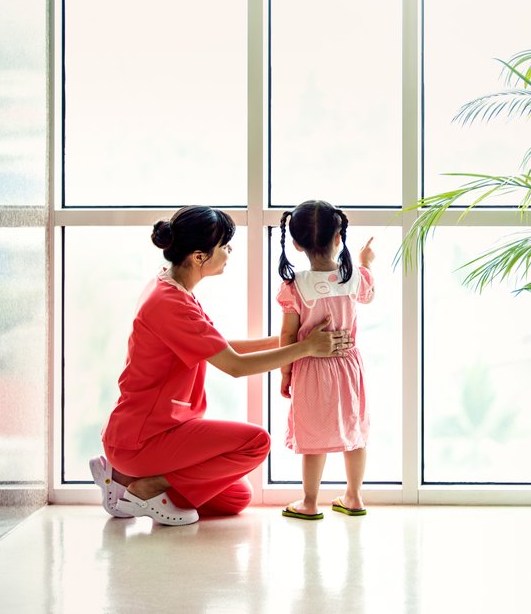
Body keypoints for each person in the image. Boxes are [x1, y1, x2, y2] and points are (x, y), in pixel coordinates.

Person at [90, 205, 354, 526]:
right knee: (257, 443)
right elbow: (236, 365)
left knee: (236, 497)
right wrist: (305, 348)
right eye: (225, 247)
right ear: (199, 256)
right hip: (144, 438)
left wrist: (290, 338)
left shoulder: (173, 287)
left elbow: (221, 348)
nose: (229, 254)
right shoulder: (170, 304)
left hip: (155, 432)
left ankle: (122, 480)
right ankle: (148, 485)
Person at [276, 200, 375, 520]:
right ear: (338, 238)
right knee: (354, 430)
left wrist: (285, 374)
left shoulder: (294, 286)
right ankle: (354, 496)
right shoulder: (356, 276)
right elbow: (369, 294)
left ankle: (309, 501)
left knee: (313, 436)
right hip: (347, 365)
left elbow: (288, 336)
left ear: (296, 243)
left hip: (310, 366)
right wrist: (365, 262)